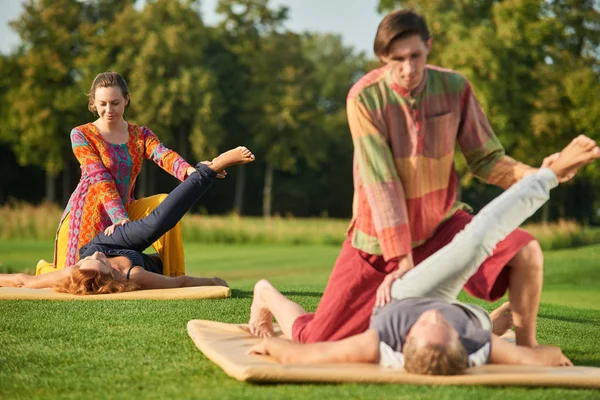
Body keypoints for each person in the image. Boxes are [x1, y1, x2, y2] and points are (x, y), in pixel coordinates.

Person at [291, 9, 554, 347]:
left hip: (441, 225)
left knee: (525, 252)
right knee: (317, 340)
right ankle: (267, 298)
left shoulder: (454, 86)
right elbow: (381, 183)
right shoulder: (364, 98)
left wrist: (539, 175)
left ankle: (528, 346)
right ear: (383, 57)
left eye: (415, 55)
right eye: (397, 59)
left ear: (428, 46)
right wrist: (402, 261)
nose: (408, 68)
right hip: (378, 240)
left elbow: (487, 159)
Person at [248, 136, 599, 374]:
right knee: (477, 242)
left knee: (313, 337)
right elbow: (539, 358)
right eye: (442, 325)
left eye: (423, 325)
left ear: (403, 342)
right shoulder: (479, 346)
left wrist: (274, 351)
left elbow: (304, 356)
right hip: (471, 320)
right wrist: (553, 360)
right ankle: (548, 176)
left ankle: (265, 293)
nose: (432, 315)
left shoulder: (381, 342)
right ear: (461, 341)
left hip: (404, 295)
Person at [1, 147, 255, 295]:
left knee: (154, 224)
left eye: (89, 259)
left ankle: (208, 170)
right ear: (112, 276)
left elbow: (23, 281)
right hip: (143, 262)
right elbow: (179, 283)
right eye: (101, 262)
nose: (97, 256)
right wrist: (212, 282)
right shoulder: (135, 275)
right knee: (162, 258)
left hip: (113, 240)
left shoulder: (81, 266)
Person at [37, 71, 200, 277]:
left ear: (126, 99)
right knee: (72, 278)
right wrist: (120, 218)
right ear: (93, 103)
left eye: (115, 103)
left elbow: (163, 155)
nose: (108, 110)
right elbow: (100, 178)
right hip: (88, 214)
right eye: (102, 104)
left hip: (126, 210)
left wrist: (191, 172)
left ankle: (174, 276)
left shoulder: (140, 135)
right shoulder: (81, 134)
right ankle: (43, 269)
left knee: (166, 204)